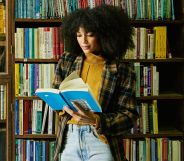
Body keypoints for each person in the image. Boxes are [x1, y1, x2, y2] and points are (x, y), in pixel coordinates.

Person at [52, 4, 138, 161]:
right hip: (70, 137)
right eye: (78, 35)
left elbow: (129, 116)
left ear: (105, 35)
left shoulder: (122, 70)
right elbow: (56, 94)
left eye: (90, 35)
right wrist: (62, 106)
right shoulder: (67, 61)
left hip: (100, 139)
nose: (83, 41)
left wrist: (97, 120)